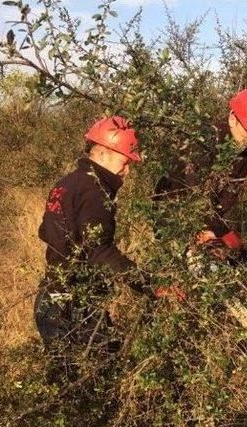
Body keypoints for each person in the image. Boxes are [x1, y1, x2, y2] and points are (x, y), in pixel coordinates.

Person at [35, 116, 177, 364]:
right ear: (103, 153)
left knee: (66, 377)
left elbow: (45, 231)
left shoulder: (67, 183)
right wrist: (150, 284)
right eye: (125, 161)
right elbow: (98, 252)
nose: (128, 170)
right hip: (73, 305)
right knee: (100, 373)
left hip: (50, 300)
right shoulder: (94, 189)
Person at [153, 88, 247, 253]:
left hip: (206, 215)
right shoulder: (206, 139)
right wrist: (215, 230)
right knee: (178, 261)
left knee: (234, 253)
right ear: (232, 119)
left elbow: (230, 194)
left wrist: (214, 230)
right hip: (173, 208)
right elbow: (192, 190)